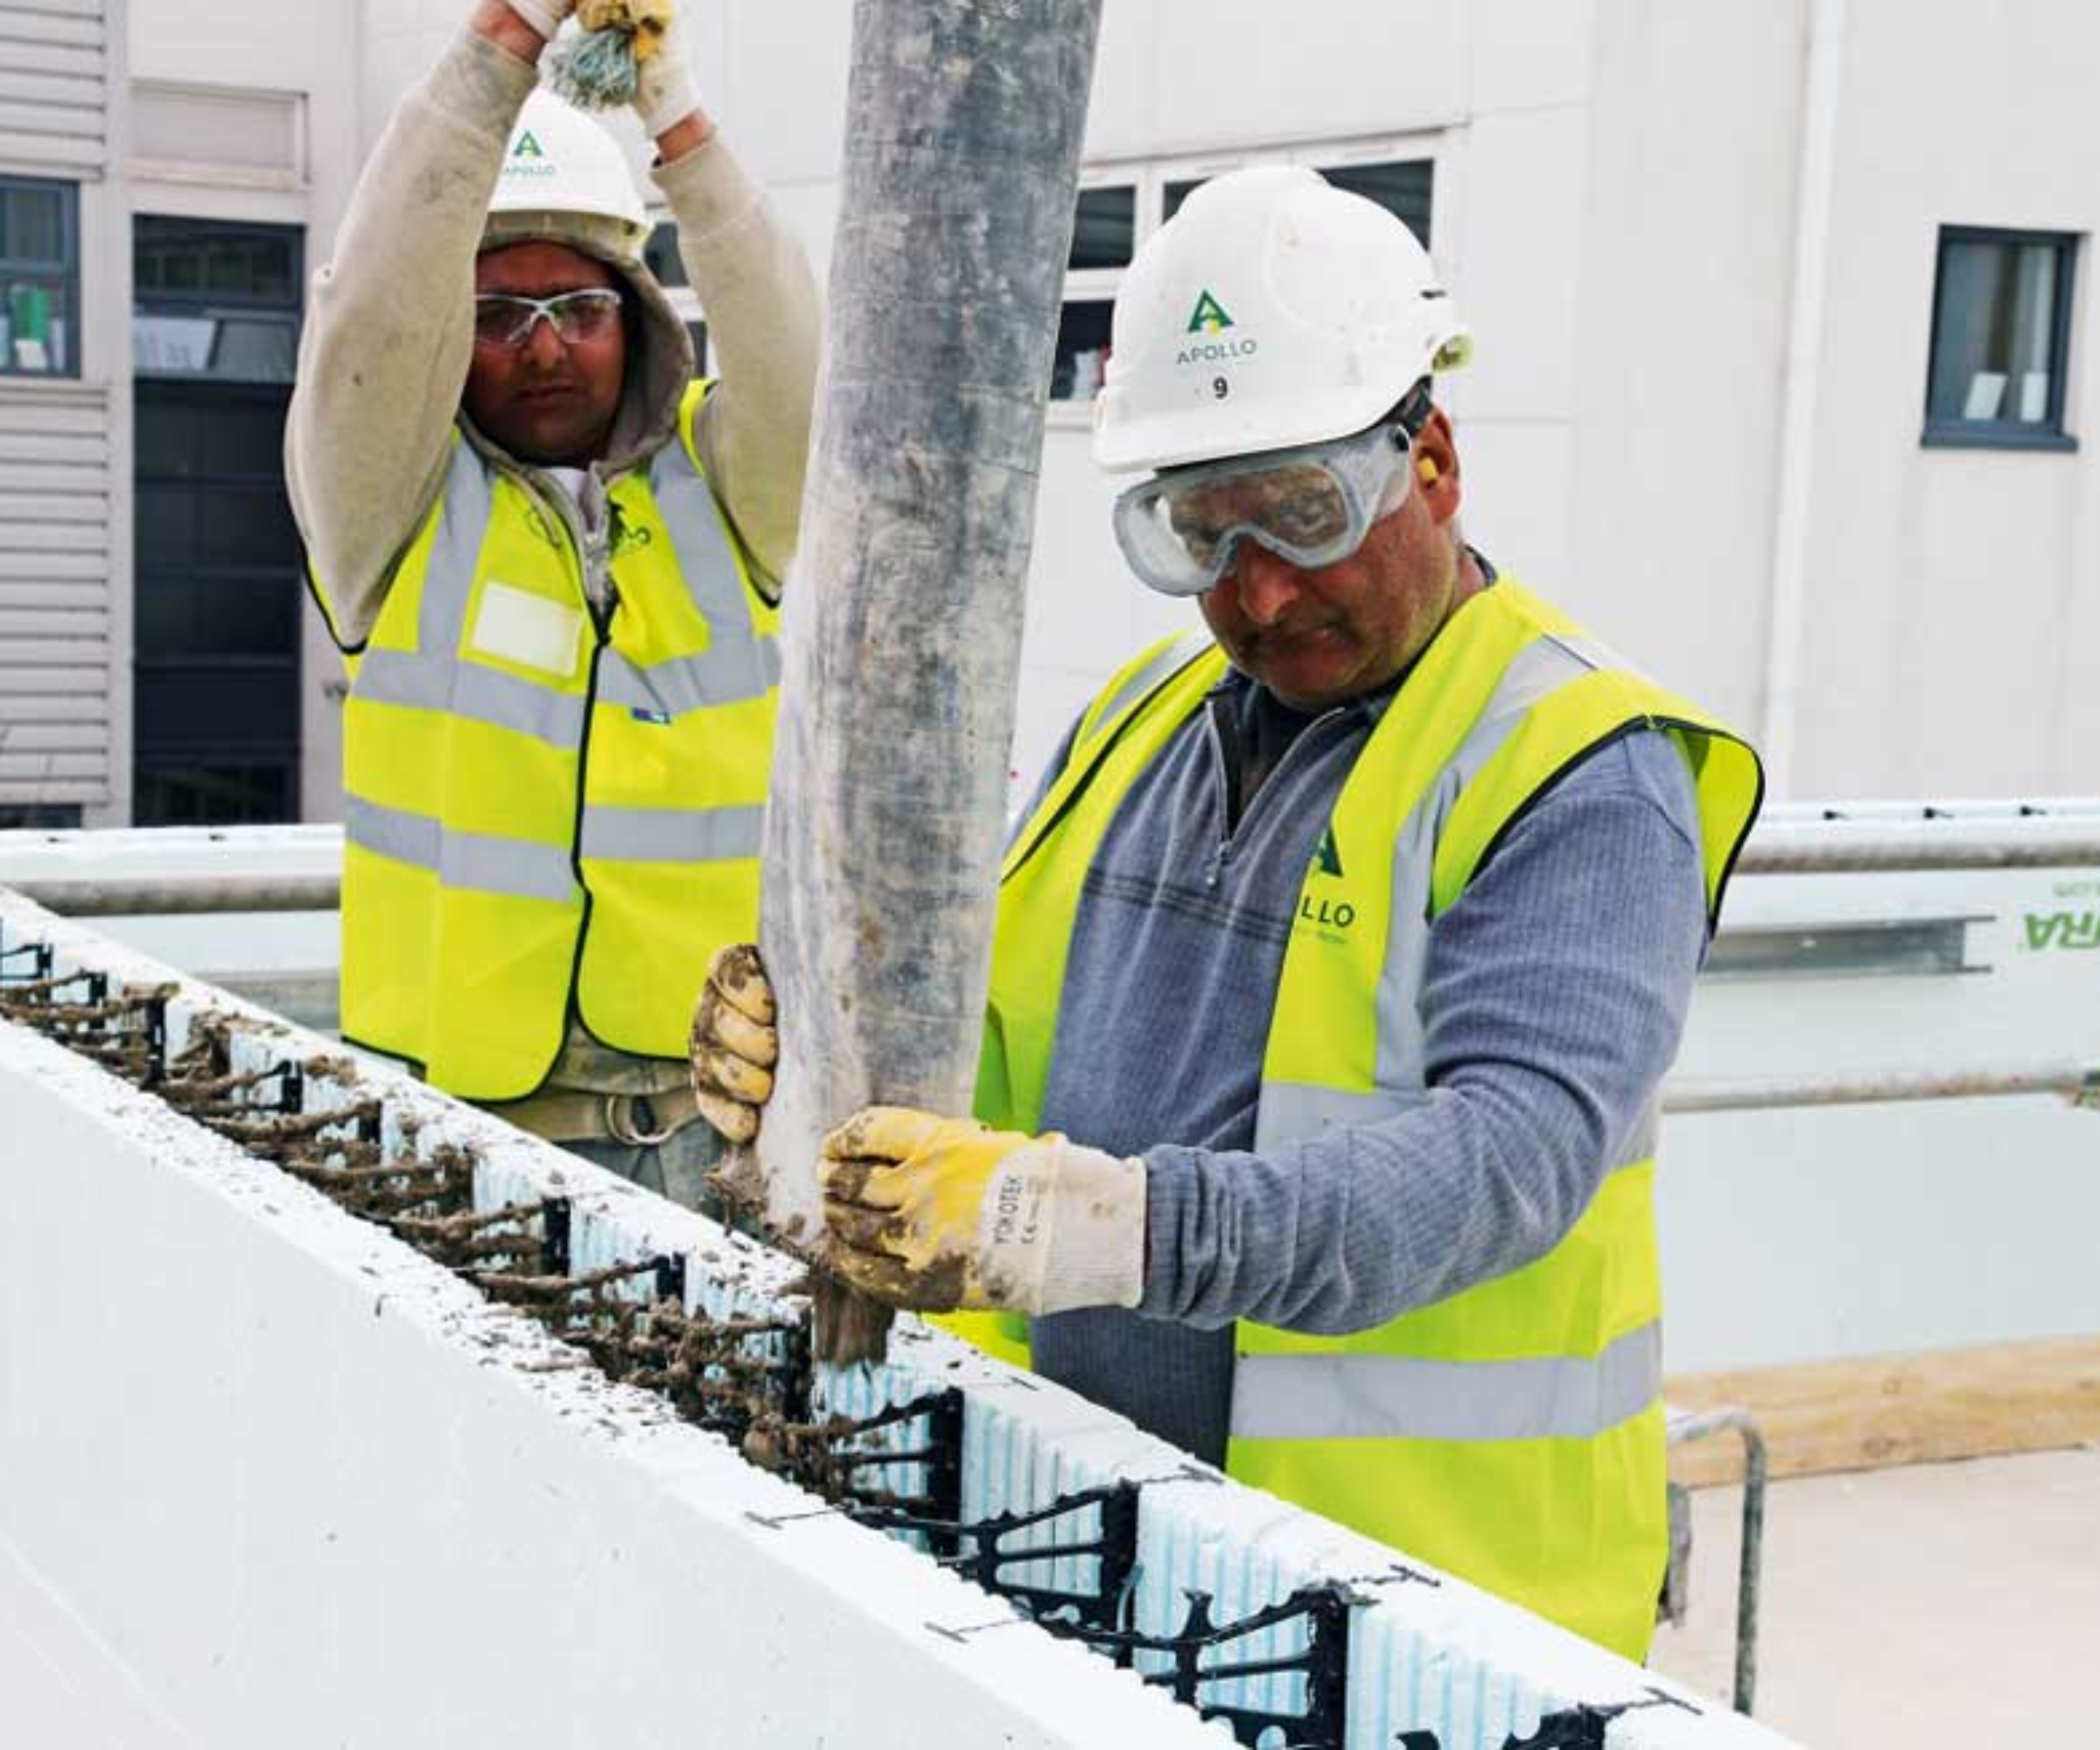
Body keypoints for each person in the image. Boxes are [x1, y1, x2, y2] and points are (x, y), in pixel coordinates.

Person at [688, 166, 1762, 1660]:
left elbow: (1506, 1164)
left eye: (1302, 516)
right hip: (1085, 1549)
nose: (1256, 595)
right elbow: (992, 1057)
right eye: (1200, 535)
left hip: (1428, 1637)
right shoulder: (1143, 715)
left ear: (1431, 459)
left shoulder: (1578, 767)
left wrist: (1104, 1231)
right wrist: (812, 1063)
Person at [290, 0, 818, 1206]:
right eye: (496, 314)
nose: (542, 347)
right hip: (451, 1138)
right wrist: (504, 42)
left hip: (709, 1131)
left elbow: (797, 360)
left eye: (579, 308)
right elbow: (371, 306)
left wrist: (675, 117)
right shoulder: (392, 510)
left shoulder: (730, 490)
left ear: (635, 320)